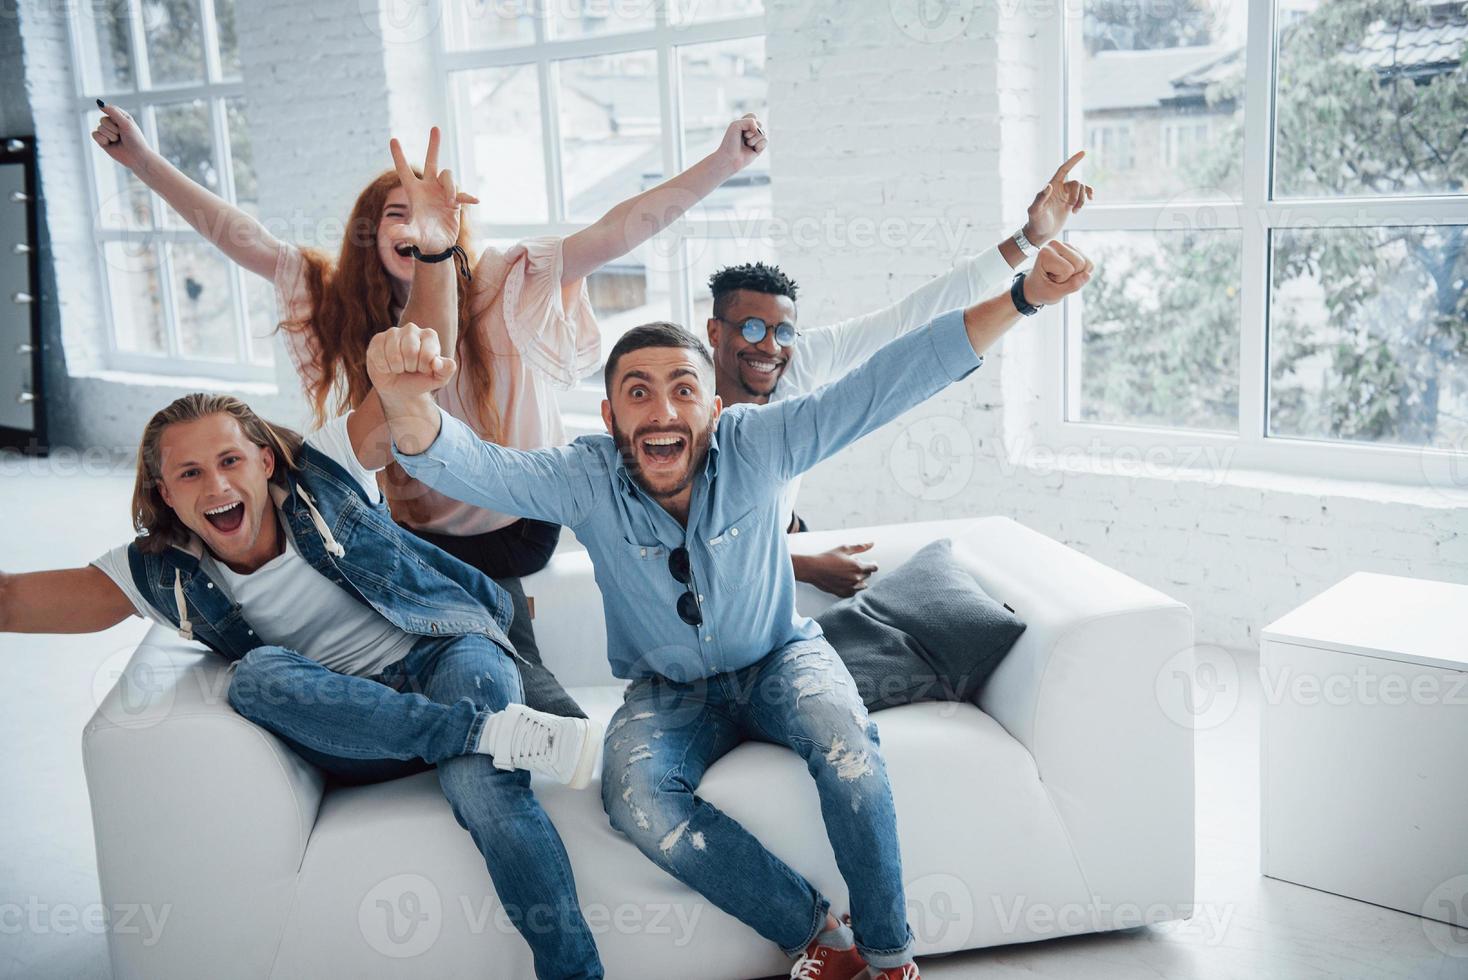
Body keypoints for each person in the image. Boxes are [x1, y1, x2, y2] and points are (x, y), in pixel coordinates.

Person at [364, 206, 1096, 978]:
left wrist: (1023, 299)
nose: (663, 411)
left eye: (683, 390)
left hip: (783, 660)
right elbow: (474, 466)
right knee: (636, 800)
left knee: (849, 749)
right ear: (610, 417)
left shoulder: (762, 442)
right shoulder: (584, 475)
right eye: (638, 395)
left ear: (712, 409)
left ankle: (888, 958)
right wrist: (407, 405)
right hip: (668, 692)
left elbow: (889, 381)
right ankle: (819, 936)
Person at [91, 105, 770, 712]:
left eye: (425, 216)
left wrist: (723, 163)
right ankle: (399, 714)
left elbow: (615, 232)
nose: (412, 225)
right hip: (407, 521)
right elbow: (242, 239)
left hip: (513, 519)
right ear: (371, 235)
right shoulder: (337, 303)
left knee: (482, 619)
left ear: (451, 227)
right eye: (395, 215)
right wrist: (141, 160)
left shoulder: (504, 280)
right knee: (372, 599)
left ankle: (538, 709)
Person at [0, 386, 608, 979]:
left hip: (445, 650)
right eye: (188, 474)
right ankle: (490, 731)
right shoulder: (157, 571)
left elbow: (395, 394)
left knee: (482, 785)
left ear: (265, 461)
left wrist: (405, 362)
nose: (216, 487)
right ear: (165, 492)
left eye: (230, 460)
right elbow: (12, 602)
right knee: (256, 678)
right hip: (360, 727)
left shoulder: (326, 470)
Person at [703, 152, 1094, 597]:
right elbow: (681, 536)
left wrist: (1029, 239)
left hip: (777, 541)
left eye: (783, 331)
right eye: (752, 329)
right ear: (715, 331)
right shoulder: (680, 400)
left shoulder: (799, 357)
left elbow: (916, 315)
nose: (770, 347)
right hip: (737, 578)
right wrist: (803, 566)